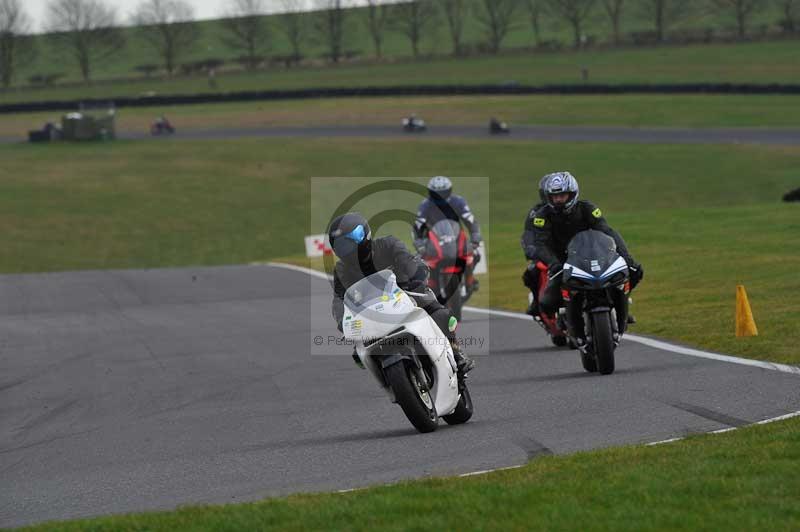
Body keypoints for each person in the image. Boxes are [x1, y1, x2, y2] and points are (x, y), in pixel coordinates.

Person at [328, 212, 475, 376]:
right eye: (342, 246)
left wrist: (415, 275)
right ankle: (387, 377)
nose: (348, 249)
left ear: (364, 234)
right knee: (358, 348)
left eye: (351, 241)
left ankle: (456, 352)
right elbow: (339, 298)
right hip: (372, 311)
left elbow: (406, 260)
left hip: (405, 292)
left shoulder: (388, 244)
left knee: (437, 312)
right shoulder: (341, 269)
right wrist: (342, 320)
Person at [529, 172, 643, 341]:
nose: (559, 200)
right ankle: (567, 320)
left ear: (573, 194)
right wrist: (553, 263)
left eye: (562, 195)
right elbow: (540, 244)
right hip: (562, 262)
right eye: (555, 196)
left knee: (635, 271)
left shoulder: (587, 208)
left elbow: (607, 230)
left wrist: (625, 256)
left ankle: (622, 306)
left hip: (592, 255)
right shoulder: (542, 216)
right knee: (546, 303)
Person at [413, 176, 482, 289]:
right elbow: (418, 225)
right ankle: (428, 284)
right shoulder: (425, 205)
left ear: (449, 191)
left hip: (457, 236)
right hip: (432, 240)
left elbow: (471, 220)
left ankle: (470, 278)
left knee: (475, 253)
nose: (440, 196)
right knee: (418, 260)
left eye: (443, 192)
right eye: (436, 193)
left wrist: (475, 237)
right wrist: (419, 243)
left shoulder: (458, 202)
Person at [520, 175, 549, 316]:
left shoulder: (576, 209)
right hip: (545, 251)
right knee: (531, 272)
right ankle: (536, 302)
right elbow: (528, 233)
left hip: (572, 250)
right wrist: (530, 248)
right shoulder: (536, 213)